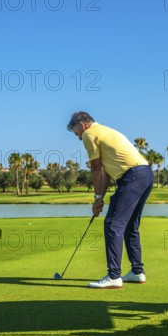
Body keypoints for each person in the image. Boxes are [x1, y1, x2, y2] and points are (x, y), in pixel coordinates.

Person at [67, 111, 154, 289]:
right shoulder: (106, 131)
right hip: (145, 174)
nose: (78, 138)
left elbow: (96, 168)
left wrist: (97, 199)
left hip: (132, 177)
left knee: (113, 224)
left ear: (82, 125)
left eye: (77, 133)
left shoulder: (89, 134)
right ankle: (137, 272)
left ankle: (114, 276)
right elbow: (105, 173)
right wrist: (99, 198)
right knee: (130, 225)